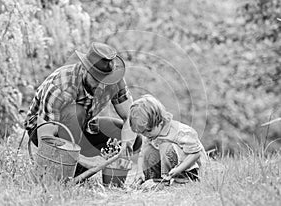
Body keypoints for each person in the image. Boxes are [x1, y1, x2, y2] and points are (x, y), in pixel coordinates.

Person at [24, 42, 141, 176]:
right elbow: (46, 138)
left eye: (106, 81)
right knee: (76, 112)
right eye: (97, 80)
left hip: (82, 127)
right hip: (47, 130)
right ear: (85, 69)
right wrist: (87, 160)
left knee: (134, 138)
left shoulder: (114, 80)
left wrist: (126, 145)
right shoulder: (61, 86)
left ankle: (80, 169)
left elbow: (130, 117)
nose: (102, 86)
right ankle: (68, 169)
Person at [129, 94, 206, 184]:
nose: (145, 135)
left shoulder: (180, 132)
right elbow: (142, 154)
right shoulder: (150, 134)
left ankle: (181, 180)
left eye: (148, 131)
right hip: (170, 169)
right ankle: (154, 179)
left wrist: (178, 170)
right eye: (142, 133)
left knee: (166, 147)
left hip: (189, 170)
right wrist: (140, 172)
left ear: (160, 122)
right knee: (148, 150)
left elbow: (196, 153)